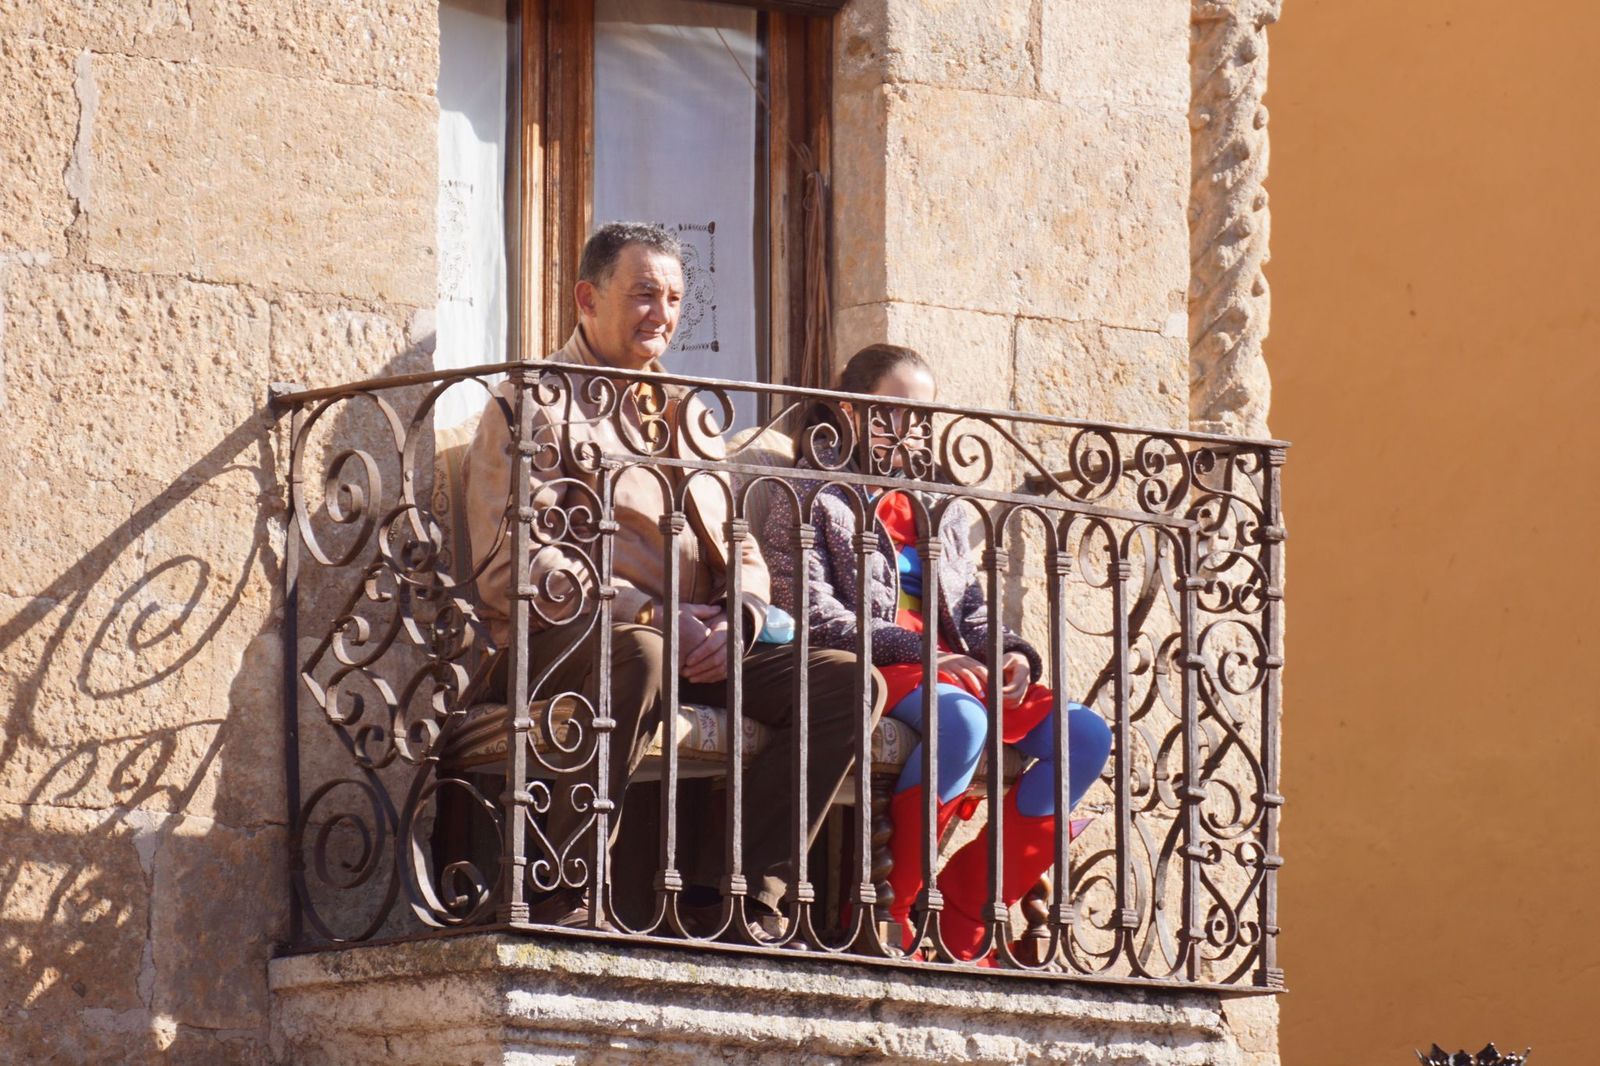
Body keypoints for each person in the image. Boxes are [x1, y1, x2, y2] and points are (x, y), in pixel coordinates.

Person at [462, 222, 881, 935]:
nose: (662, 313)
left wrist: (740, 617)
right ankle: (565, 888)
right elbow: (516, 568)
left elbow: (741, 549)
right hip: (567, 645)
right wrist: (657, 616)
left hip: (691, 645)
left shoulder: (689, 411)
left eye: (675, 298)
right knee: (643, 652)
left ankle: (743, 897)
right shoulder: (531, 403)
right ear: (587, 299)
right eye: (644, 294)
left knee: (847, 680)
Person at [766, 344, 1113, 960]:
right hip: (878, 664)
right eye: (892, 411)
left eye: (922, 416)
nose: (909, 430)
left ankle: (973, 897)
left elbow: (972, 607)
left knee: (1084, 735)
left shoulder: (940, 505)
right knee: (962, 721)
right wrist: (924, 651)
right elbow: (810, 614)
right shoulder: (810, 495)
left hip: (957, 669)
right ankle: (891, 910)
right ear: (849, 410)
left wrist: (1011, 653)